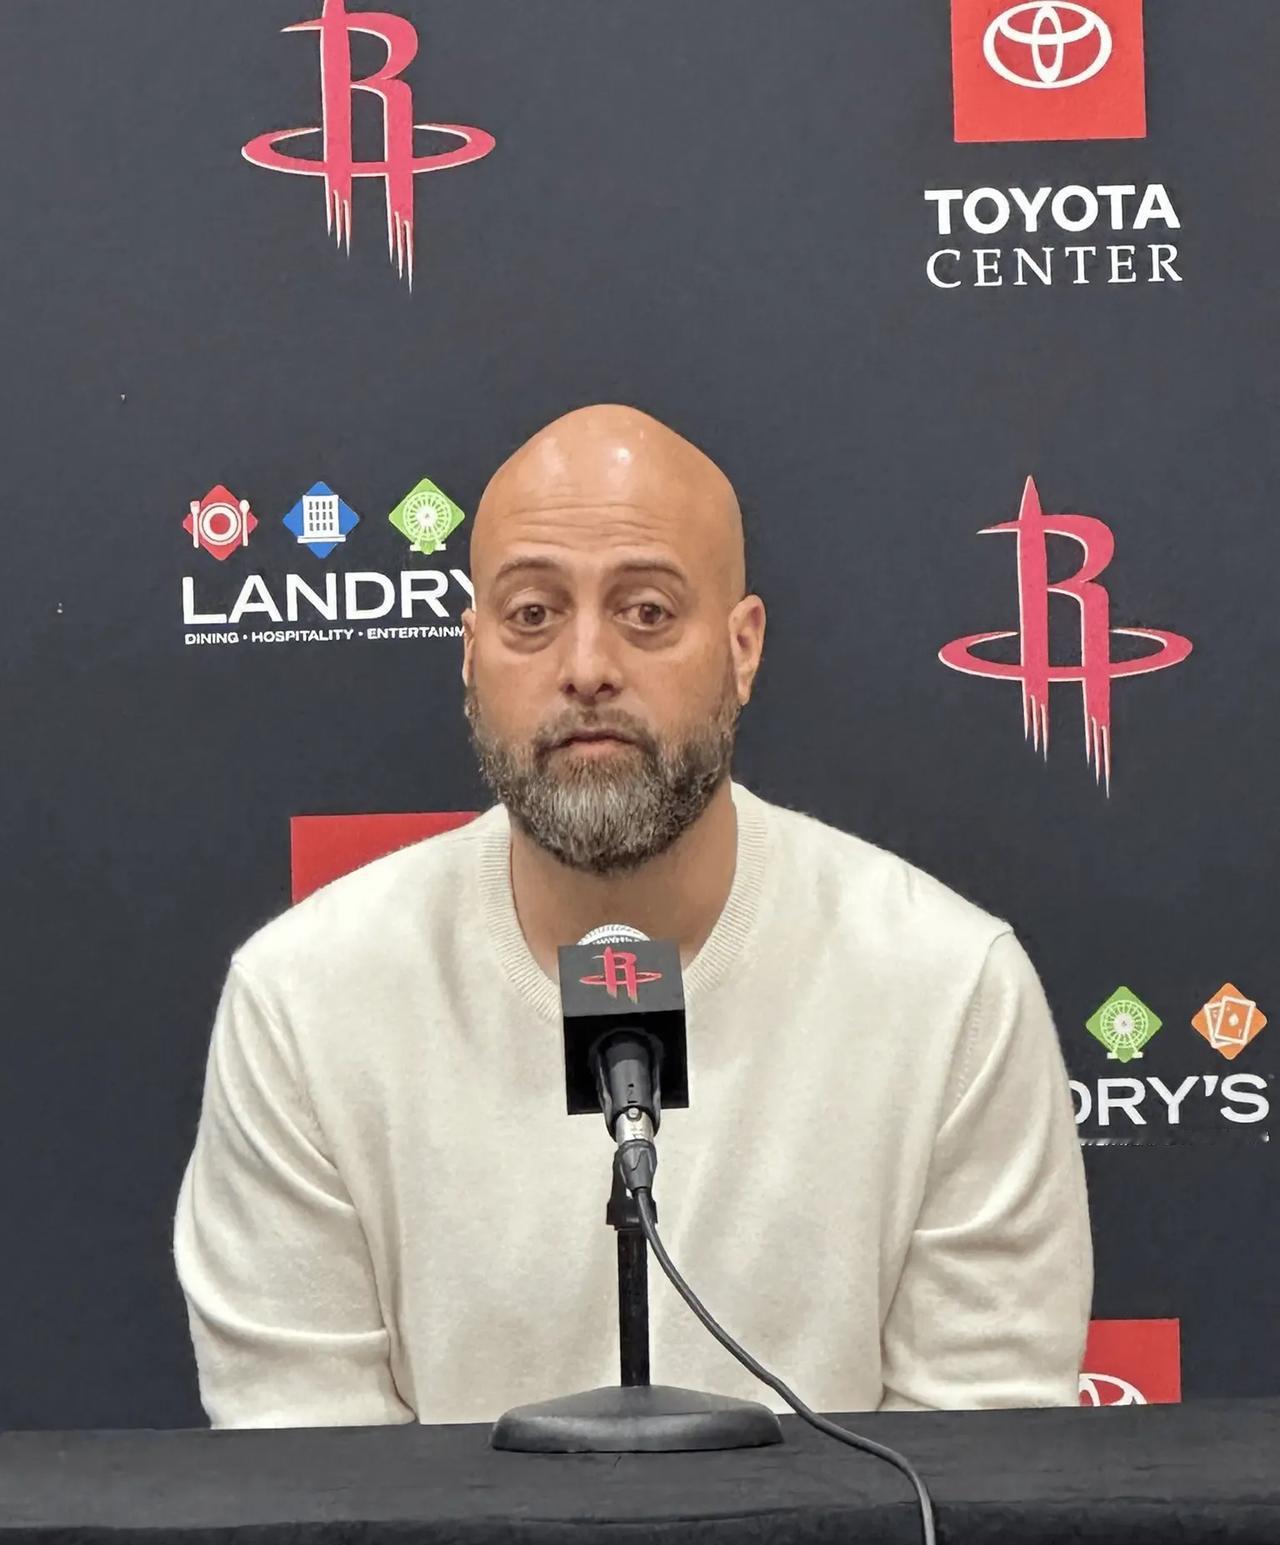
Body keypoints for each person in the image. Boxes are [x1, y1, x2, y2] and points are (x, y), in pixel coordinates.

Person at [172, 403, 1093, 1428]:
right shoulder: (303, 1002)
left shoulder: (950, 989)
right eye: (531, 614)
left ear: (743, 648)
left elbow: (974, 1476)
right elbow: (310, 1482)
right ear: (469, 654)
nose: (585, 666)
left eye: (646, 611)